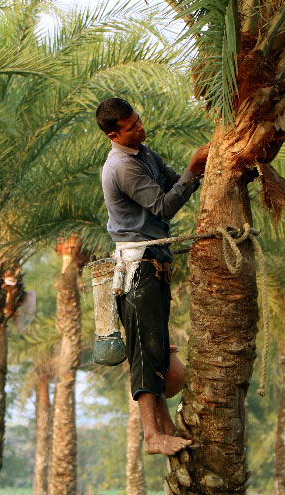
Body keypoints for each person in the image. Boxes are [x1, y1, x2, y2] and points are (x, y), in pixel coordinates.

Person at [96, 97, 208, 455]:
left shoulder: (144, 153)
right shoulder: (121, 167)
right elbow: (164, 205)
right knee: (146, 352)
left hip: (155, 262)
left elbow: (178, 183)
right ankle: (151, 436)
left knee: (157, 350)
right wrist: (194, 166)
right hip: (137, 267)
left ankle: (165, 426)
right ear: (114, 134)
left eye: (139, 121)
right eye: (132, 127)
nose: (141, 129)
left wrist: (209, 170)